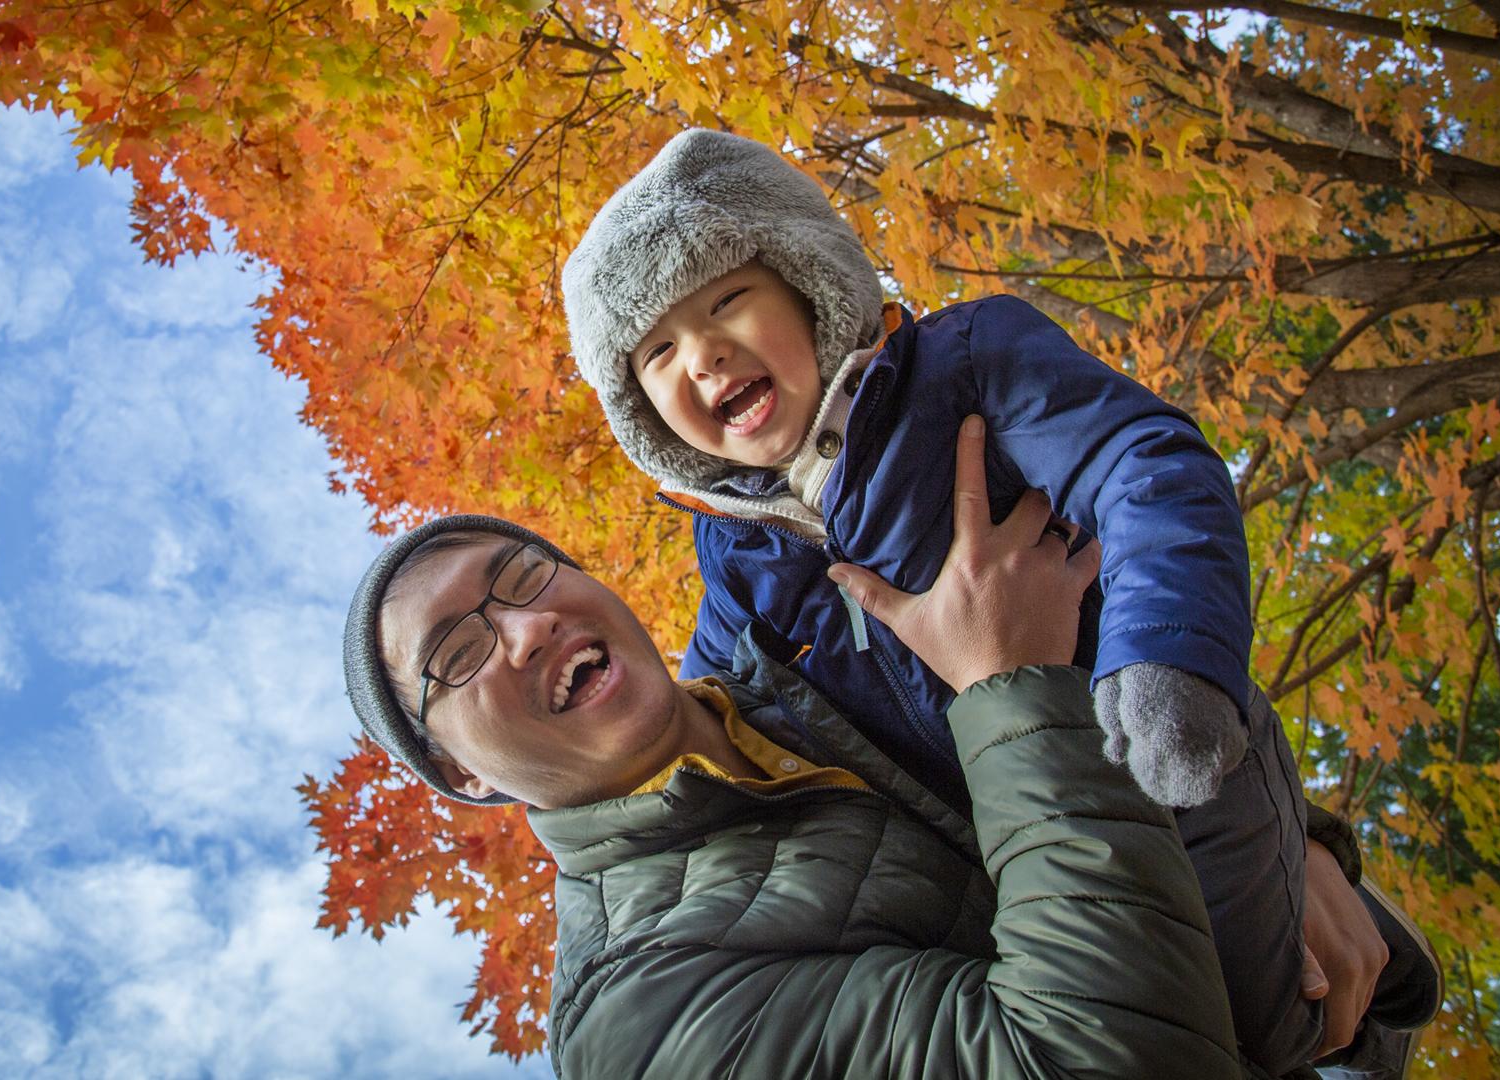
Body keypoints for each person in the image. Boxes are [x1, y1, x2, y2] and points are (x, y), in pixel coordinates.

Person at [560, 129, 1439, 1075]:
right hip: (1013, 840)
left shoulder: (959, 369)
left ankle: (1367, 1009)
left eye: (727, 299)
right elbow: (724, 702)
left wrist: (1170, 661)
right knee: (1179, 1006)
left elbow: (1141, 468)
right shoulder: (736, 549)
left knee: (1279, 1010)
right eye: (657, 352)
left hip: (1153, 746)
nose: (702, 356)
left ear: (807, 281)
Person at [343, 420, 1257, 1078]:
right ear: (462, 774)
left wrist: (1275, 851)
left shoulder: (795, 644)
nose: (525, 629)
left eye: (522, 575)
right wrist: (1009, 687)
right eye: (456, 656)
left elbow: (1128, 670)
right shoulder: (633, 1020)